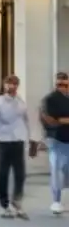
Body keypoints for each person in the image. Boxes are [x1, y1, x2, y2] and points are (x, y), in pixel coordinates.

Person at [0, 76, 35, 220]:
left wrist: (31, 138)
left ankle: (17, 200)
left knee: (20, 174)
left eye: (15, 84)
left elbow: (26, 120)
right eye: (9, 84)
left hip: (18, 140)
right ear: (4, 85)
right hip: (3, 141)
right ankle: (4, 205)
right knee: (3, 174)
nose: (12, 87)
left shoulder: (21, 102)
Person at [41, 72, 69, 217]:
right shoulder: (50, 99)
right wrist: (61, 121)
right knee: (57, 168)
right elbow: (50, 119)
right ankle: (56, 200)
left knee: (67, 170)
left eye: (65, 85)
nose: (62, 88)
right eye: (59, 85)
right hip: (56, 139)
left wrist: (62, 120)